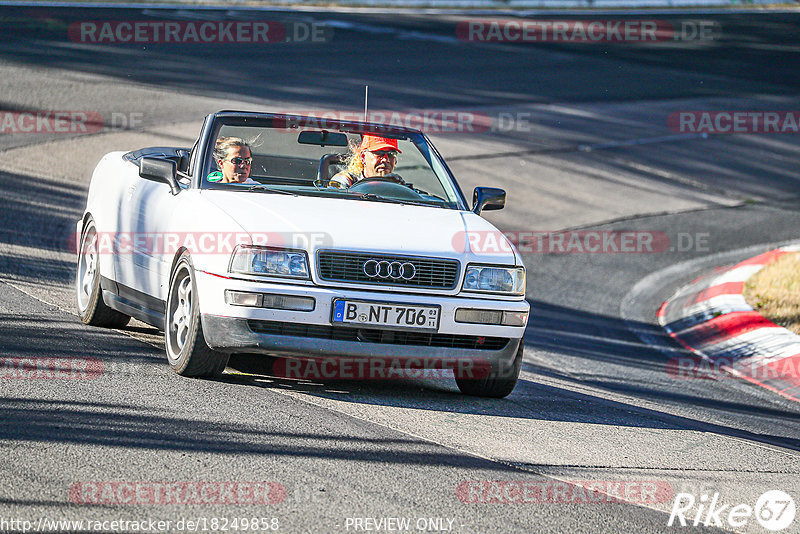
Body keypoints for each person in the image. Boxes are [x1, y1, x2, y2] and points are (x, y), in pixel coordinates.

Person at [328, 134, 406, 189]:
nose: (386, 159)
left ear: (396, 160)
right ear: (363, 157)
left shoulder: (397, 185)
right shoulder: (346, 180)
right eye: (379, 153)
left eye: (391, 154)